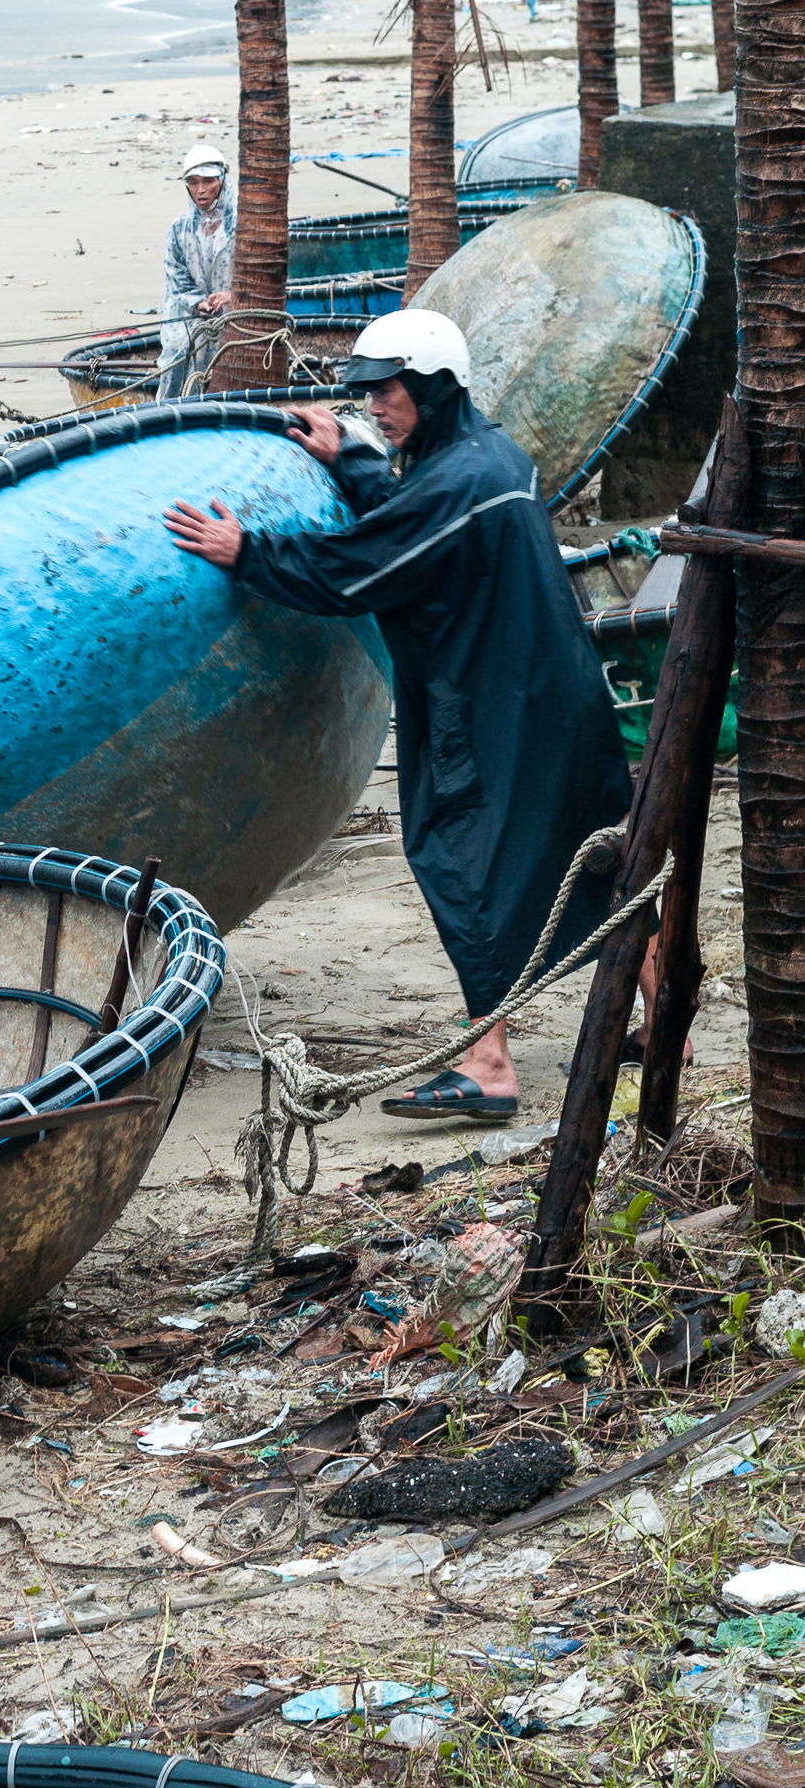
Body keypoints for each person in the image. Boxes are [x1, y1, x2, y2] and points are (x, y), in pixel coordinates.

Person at [163, 310, 634, 1123]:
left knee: (460, 860)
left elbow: (356, 573)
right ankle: (657, 1017)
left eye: (387, 392)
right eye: (368, 394)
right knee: (601, 850)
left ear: (433, 387)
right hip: (562, 696)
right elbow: (415, 520)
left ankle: (487, 1068)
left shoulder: (454, 484)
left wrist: (249, 553)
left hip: (486, 710)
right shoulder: (492, 457)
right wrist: (350, 457)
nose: (375, 407)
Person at [156, 144, 237, 399]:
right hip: (189, 315)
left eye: (208, 181)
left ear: (222, 181)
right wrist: (198, 303)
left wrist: (233, 295)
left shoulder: (243, 223)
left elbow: (265, 274)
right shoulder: (180, 228)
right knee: (178, 354)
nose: (201, 190)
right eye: (193, 182)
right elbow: (176, 275)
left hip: (235, 314)